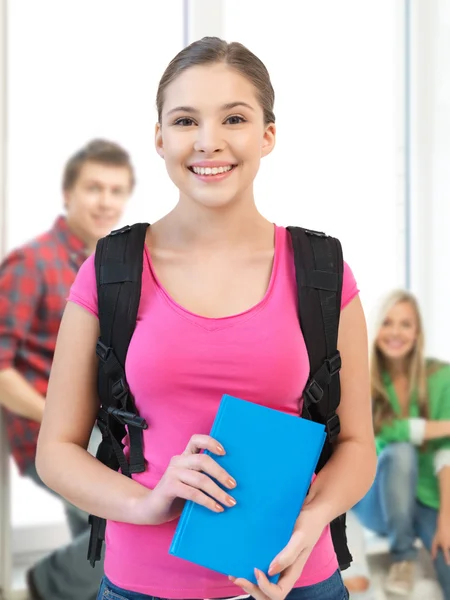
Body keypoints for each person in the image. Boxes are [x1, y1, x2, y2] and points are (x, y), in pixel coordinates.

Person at [36, 37, 376, 600]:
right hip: (144, 585)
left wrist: (311, 521)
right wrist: (146, 504)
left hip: (298, 580)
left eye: (235, 118)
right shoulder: (111, 269)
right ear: (160, 137)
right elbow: (57, 451)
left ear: (268, 134)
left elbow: (358, 445)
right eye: (186, 119)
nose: (209, 141)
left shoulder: (323, 272)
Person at [0, 138, 135, 600]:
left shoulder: (109, 266)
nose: (106, 202)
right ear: (67, 194)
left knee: (110, 534)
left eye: (117, 191)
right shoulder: (32, 263)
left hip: (102, 421)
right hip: (47, 427)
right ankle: (47, 585)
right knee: (128, 514)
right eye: (94, 188)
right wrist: (58, 418)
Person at [343, 290, 450, 599]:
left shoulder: (440, 378)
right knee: (400, 454)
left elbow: (446, 452)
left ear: (417, 333)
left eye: (406, 324)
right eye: (388, 322)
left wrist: (446, 518)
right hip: (376, 500)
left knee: (446, 555)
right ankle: (403, 557)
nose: (396, 332)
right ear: (376, 329)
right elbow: (376, 441)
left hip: (423, 500)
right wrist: (437, 427)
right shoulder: (362, 380)